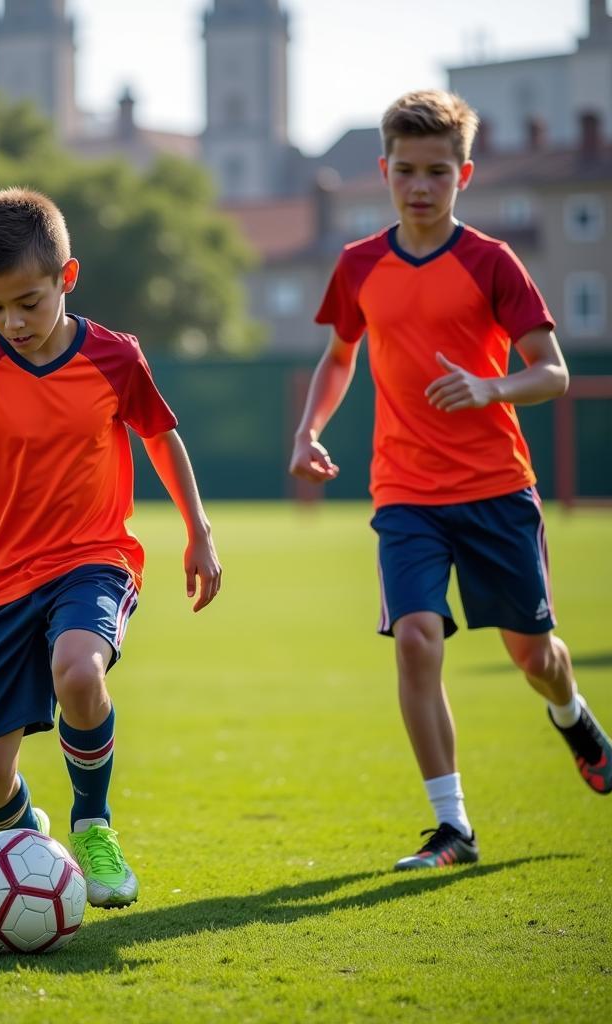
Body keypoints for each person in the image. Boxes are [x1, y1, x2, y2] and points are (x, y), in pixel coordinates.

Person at [289, 89, 612, 871]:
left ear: (464, 173)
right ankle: (452, 828)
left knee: (533, 656)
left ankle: (572, 717)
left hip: (497, 488)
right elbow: (340, 357)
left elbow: (554, 372)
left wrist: (490, 386)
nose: (421, 186)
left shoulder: (492, 262)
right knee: (416, 641)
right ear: (384, 171)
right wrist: (308, 429)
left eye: (438, 171)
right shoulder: (359, 264)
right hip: (404, 493)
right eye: (406, 171)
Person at [0, 187, 221, 908]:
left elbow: (161, 439)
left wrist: (199, 533)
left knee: (78, 669)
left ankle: (92, 824)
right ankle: (31, 835)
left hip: (94, 558)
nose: (12, 322)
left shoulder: (114, 357)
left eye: (28, 303)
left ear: (68, 278)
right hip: (1, 583)